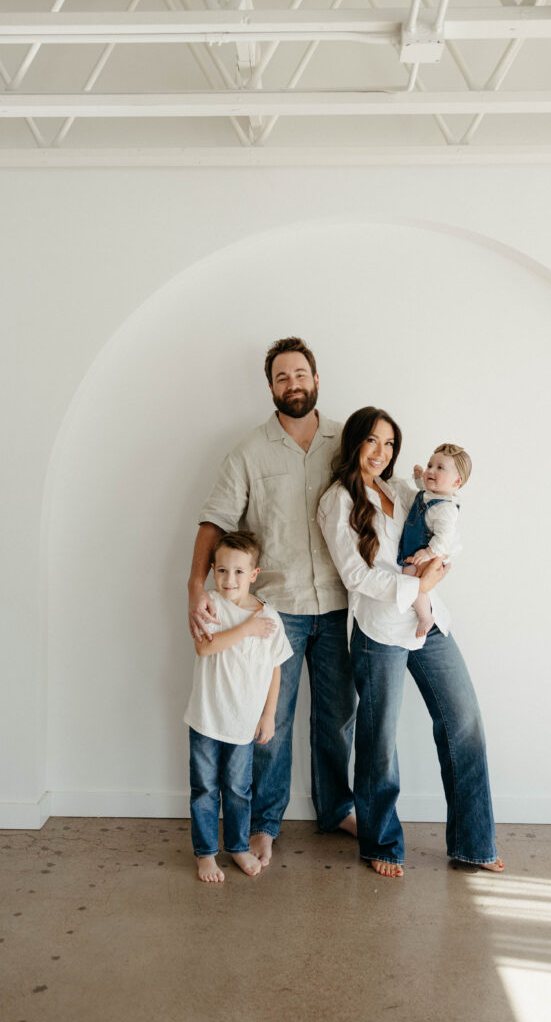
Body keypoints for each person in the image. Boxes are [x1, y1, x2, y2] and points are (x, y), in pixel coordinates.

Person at [187, 337, 357, 868]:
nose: (293, 383)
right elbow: (215, 520)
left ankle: (338, 810)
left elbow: (376, 496)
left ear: (316, 379)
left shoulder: (345, 442)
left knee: (337, 717)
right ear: (271, 388)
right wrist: (195, 589)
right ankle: (264, 824)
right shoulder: (247, 451)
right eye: (282, 377)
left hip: (338, 602)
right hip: (275, 612)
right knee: (269, 724)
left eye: (301, 374)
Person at [317, 407, 502, 879]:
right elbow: (356, 576)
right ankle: (381, 842)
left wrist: (438, 566)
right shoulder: (337, 501)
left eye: (389, 443)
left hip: (429, 620)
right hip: (379, 628)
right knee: (379, 740)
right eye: (372, 441)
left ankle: (474, 844)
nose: (381, 452)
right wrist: (417, 584)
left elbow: (444, 527)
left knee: (463, 723)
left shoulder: (401, 490)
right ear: (354, 443)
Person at [185, 531, 292, 881]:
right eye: (221, 570)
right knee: (204, 789)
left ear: (254, 574)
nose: (229, 579)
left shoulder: (269, 617)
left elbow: (275, 669)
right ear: (213, 570)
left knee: (237, 790)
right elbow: (205, 647)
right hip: (206, 718)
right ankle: (205, 854)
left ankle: (237, 846)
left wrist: (269, 715)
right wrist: (246, 629)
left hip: (242, 723)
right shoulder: (211, 605)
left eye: (238, 572)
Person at [398, 443, 471, 638]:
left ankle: (425, 616)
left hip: (428, 552)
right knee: (410, 577)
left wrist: (429, 553)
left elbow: (444, 539)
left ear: (456, 481)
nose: (431, 470)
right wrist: (417, 478)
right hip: (419, 550)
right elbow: (424, 488)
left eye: (439, 468)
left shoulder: (445, 509)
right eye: (430, 465)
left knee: (411, 578)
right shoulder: (432, 493)